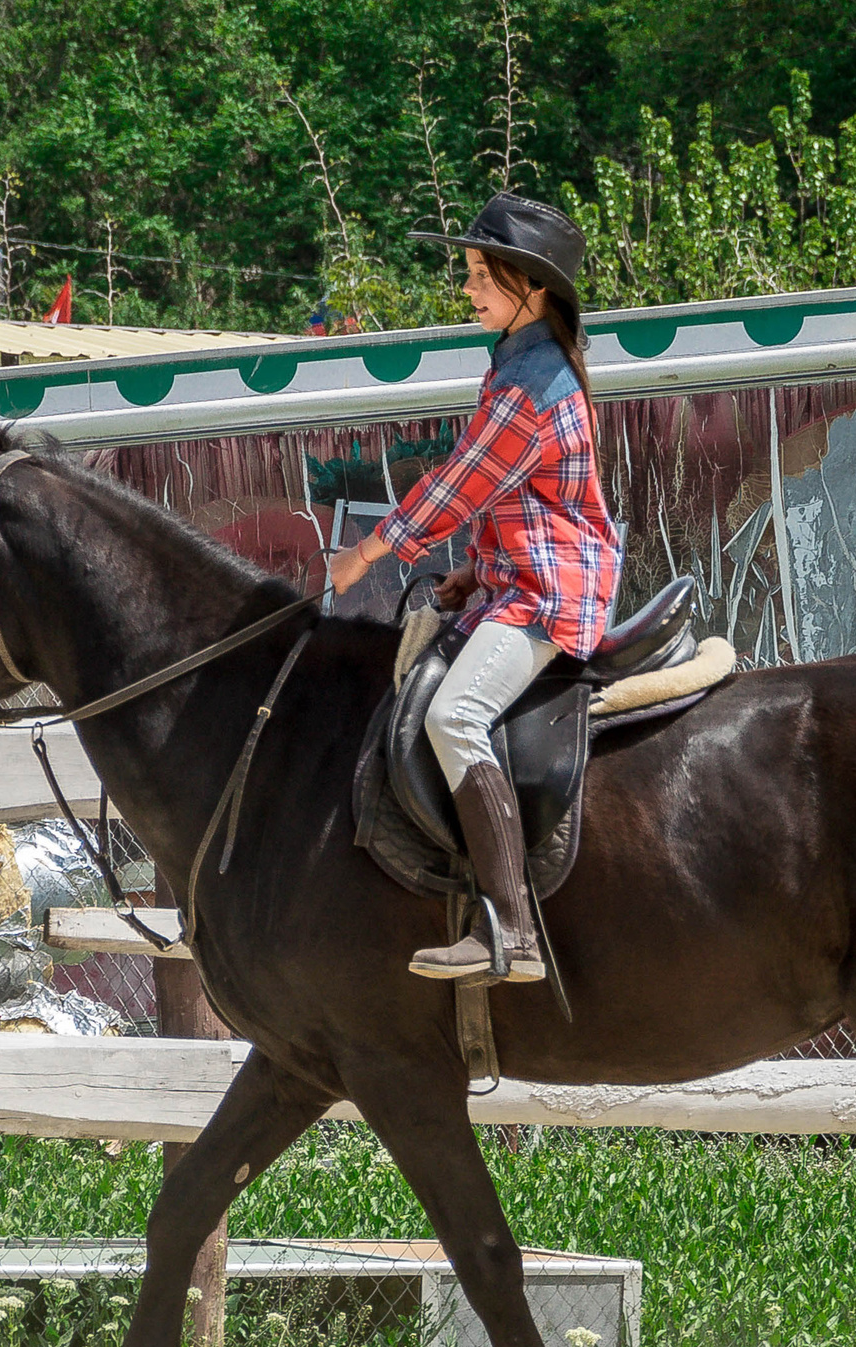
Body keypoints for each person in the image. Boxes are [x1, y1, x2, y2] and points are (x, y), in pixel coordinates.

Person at [327, 192, 622, 985]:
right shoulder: (522, 365)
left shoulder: (530, 383)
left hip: (550, 595)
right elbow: (511, 496)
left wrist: (369, 553)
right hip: (519, 580)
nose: (467, 291)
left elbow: (461, 485)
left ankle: (513, 930)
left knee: (456, 717)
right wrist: (475, 570)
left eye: (480, 276)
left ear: (529, 285)